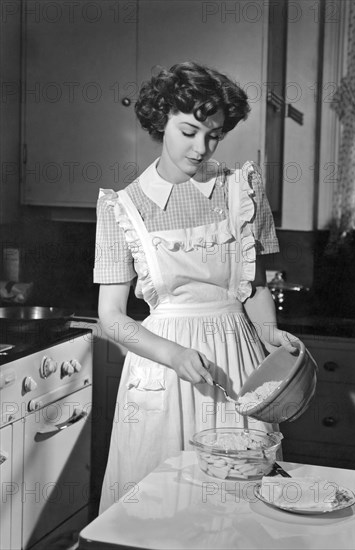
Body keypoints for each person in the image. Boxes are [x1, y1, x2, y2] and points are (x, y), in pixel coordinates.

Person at [93, 61, 298, 513]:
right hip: (163, 366)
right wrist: (173, 355)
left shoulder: (241, 188)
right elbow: (110, 316)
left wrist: (269, 333)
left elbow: (255, 285)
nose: (201, 147)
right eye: (188, 131)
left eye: (214, 135)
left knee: (243, 501)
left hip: (237, 363)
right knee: (161, 504)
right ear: (160, 118)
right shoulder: (121, 207)